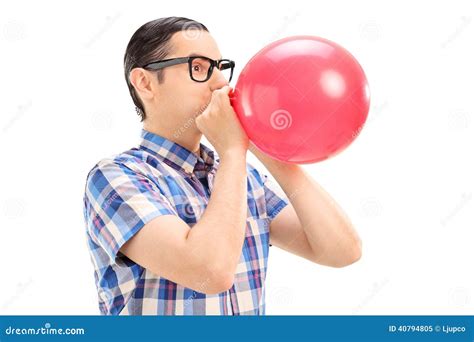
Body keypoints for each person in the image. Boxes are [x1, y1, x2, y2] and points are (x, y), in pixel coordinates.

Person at [83, 16, 362, 315]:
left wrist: (264, 145)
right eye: (199, 68)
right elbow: (210, 271)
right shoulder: (116, 177)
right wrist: (232, 151)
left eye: (220, 68)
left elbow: (342, 251)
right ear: (146, 83)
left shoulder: (245, 178)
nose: (221, 83)